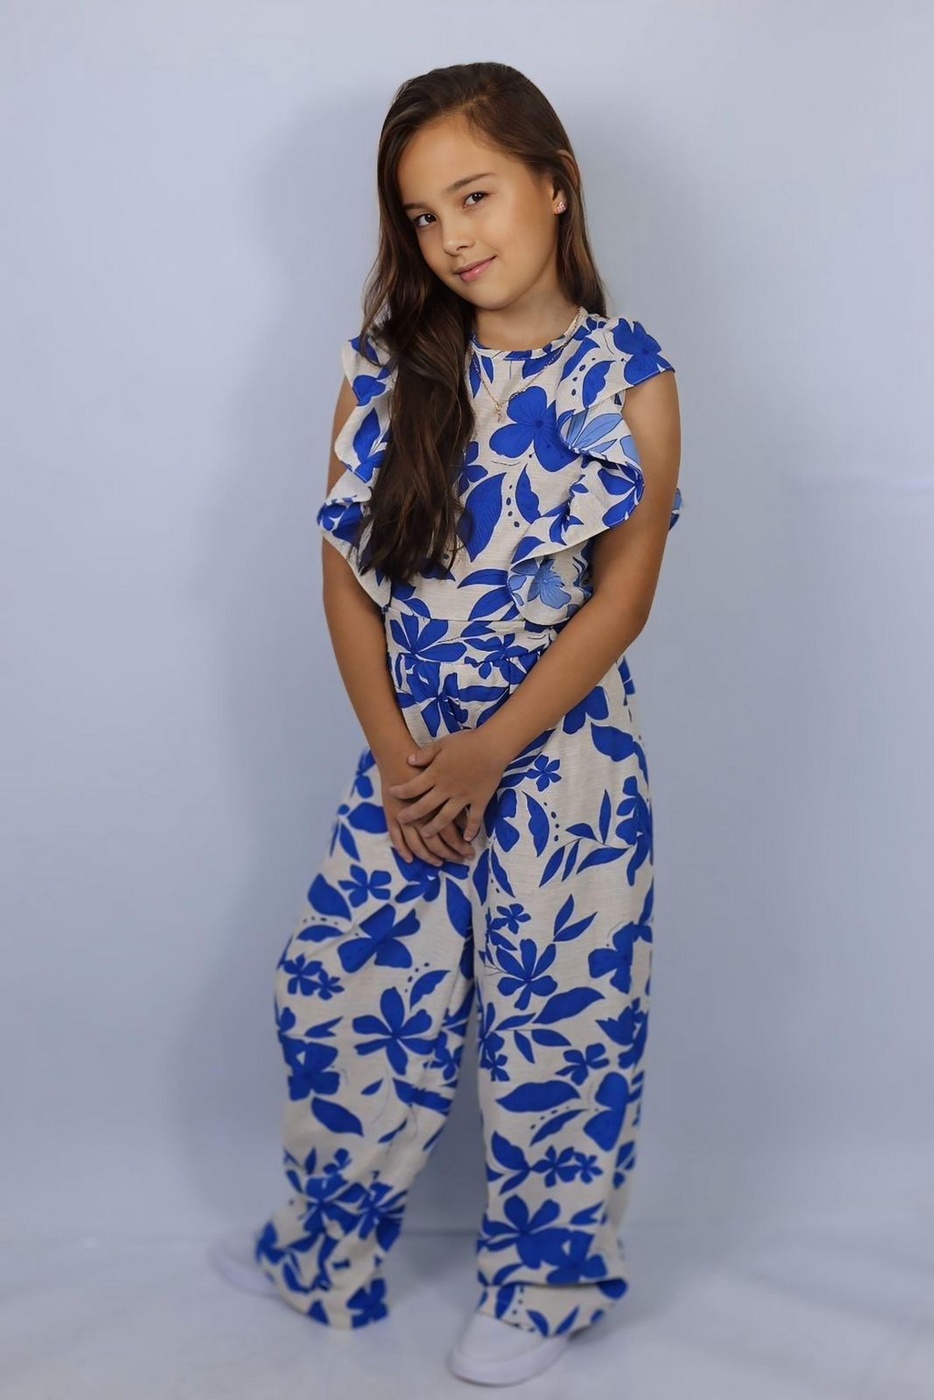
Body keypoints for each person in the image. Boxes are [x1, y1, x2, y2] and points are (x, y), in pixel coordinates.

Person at [209, 59, 682, 1387]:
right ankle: (323, 1248)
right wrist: (400, 759)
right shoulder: (384, 373)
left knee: (563, 1030)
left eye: (474, 196)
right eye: (421, 216)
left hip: (566, 770)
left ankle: (545, 1286)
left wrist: (492, 751)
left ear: (554, 183)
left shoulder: (626, 377)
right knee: (349, 1001)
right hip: (409, 765)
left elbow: (622, 599)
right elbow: (342, 582)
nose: (452, 237)